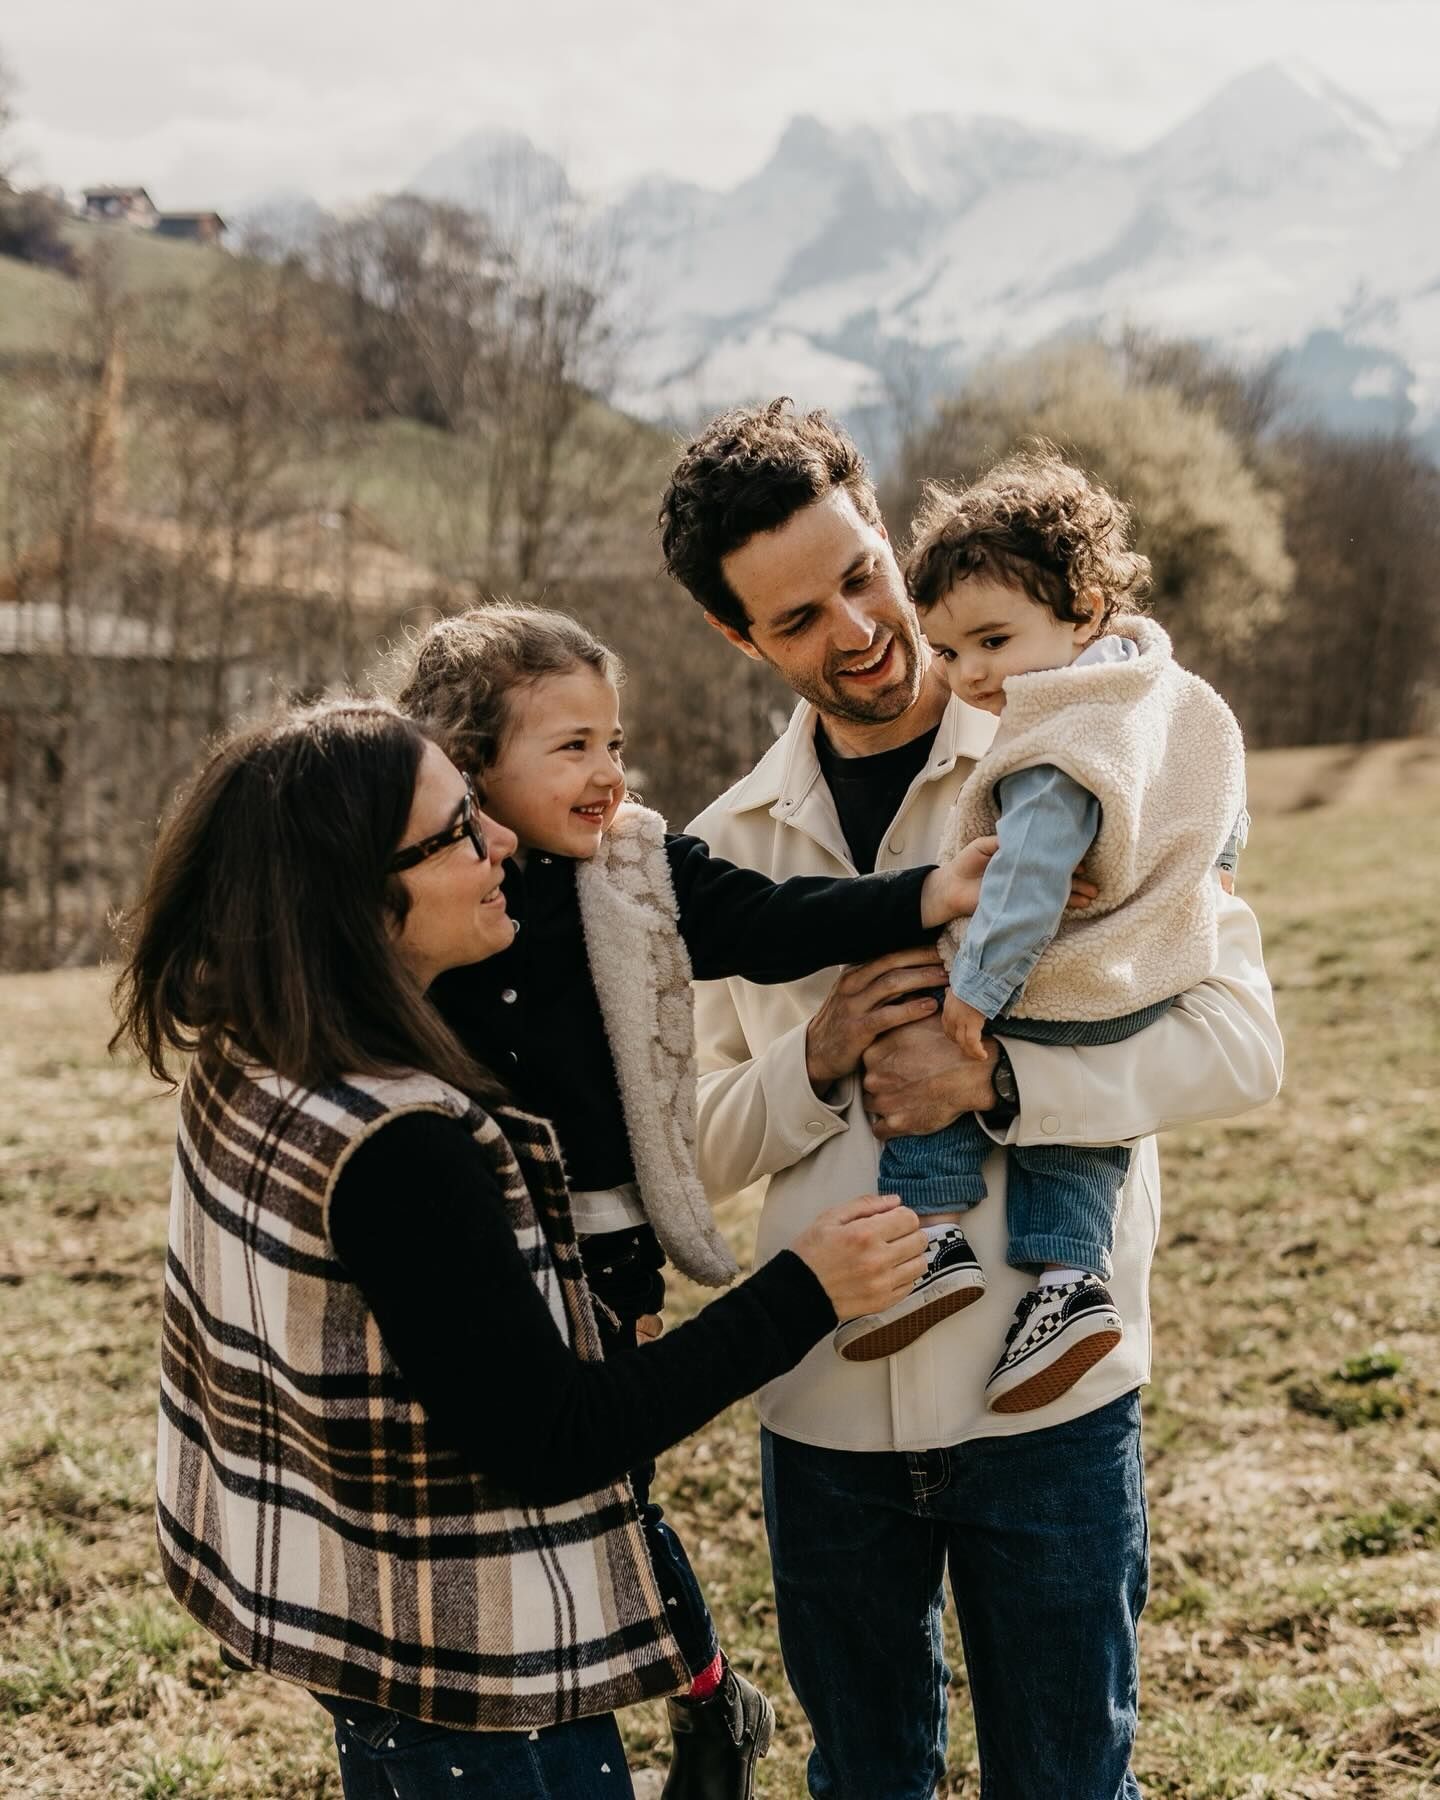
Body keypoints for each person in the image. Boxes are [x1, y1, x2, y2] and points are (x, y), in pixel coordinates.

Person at [109, 696, 930, 1800]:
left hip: (346, 1614)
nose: (502, 839)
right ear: (357, 896)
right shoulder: (397, 1144)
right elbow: (552, 1438)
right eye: (458, 831)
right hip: (469, 1679)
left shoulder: (257, 1050)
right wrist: (806, 1290)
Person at [659, 400, 1283, 1799]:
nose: (858, 630)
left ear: (889, 530)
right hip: (824, 1405)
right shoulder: (721, 851)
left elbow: (1242, 1045)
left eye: (862, 574)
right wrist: (814, 1058)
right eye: (799, 617)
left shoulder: (1094, 743)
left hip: (1051, 1406)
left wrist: (1001, 1078)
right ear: (738, 637)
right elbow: (683, 1151)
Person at [392, 604, 1045, 1798]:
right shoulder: (429, 902)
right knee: (534, 1479)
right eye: (572, 747)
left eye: (615, 742)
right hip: (476, 1244)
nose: (609, 772)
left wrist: (926, 895)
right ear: (468, 764)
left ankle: (699, 1692)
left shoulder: (633, 871)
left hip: (606, 1246)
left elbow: (769, 920)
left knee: (614, 1486)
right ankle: (642, 1686)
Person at [840, 452, 1249, 1421]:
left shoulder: (1058, 738)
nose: (971, 674)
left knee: (923, 1035)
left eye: (993, 640)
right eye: (949, 652)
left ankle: (931, 1235)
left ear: (1085, 609)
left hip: (1057, 973)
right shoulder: (1164, 694)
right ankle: (1070, 1286)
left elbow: (1025, 876)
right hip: (1139, 975)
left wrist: (975, 988)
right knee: (1083, 1132)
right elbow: (1221, 789)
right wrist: (1219, 868)